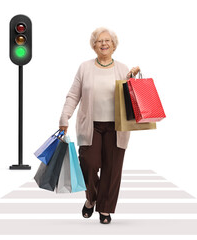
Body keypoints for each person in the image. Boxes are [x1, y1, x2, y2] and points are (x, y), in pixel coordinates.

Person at [59, 27, 140, 224]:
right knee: (88, 164)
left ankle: (105, 209)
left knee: (112, 170)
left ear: (114, 45)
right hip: (90, 126)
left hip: (116, 127)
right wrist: (64, 117)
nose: (104, 44)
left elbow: (130, 97)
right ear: (94, 46)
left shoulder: (122, 68)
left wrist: (132, 79)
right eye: (99, 41)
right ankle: (91, 198)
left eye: (107, 41)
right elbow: (73, 95)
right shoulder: (85, 67)